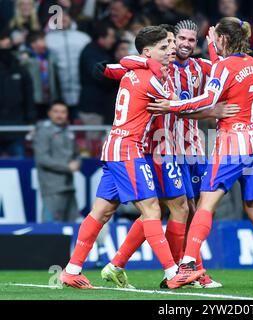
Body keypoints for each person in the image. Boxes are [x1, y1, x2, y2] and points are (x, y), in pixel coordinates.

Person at [147, 17, 253, 289]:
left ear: (223, 40)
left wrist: (172, 106)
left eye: (214, 40)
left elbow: (207, 99)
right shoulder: (250, 64)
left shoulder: (223, 67)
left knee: (205, 205)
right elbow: (236, 71)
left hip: (230, 145)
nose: (210, 43)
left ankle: (188, 264)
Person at [59, 26, 206, 289]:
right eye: (165, 46)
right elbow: (181, 107)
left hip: (115, 146)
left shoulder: (134, 71)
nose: (171, 49)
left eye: (171, 45)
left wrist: (134, 61)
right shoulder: (153, 80)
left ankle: (71, 270)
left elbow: (126, 62)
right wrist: (216, 109)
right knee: (151, 209)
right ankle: (173, 273)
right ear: (148, 53)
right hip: (130, 150)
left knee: (102, 211)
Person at [33, 101, 81, 222]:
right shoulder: (43, 132)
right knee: (51, 228)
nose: (59, 115)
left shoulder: (69, 131)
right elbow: (42, 159)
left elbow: (77, 154)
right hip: (52, 187)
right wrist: (67, 167)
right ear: (49, 113)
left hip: (69, 186)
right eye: (56, 111)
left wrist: (77, 163)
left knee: (72, 224)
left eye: (63, 112)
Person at [78, 22, 117, 156]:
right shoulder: (91, 52)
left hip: (103, 107)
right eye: (111, 37)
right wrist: (117, 75)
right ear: (101, 37)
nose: (113, 40)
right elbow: (98, 73)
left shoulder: (103, 52)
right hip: (92, 108)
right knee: (93, 144)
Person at [45, 10, 91, 114]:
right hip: (58, 91)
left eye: (65, 16)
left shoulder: (83, 38)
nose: (63, 19)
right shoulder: (48, 39)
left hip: (81, 88)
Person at [0, 29, 35, 158]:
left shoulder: (19, 67)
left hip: (16, 127)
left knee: (19, 167)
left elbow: (28, 95)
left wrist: (31, 120)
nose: (4, 43)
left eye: (6, 40)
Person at [20, 31, 61, 120]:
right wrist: (24, 58)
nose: (45, 43)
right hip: (34, 98)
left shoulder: (50, 56)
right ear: (33, 44)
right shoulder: (27, 58)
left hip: (50, 97)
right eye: (42, 40)